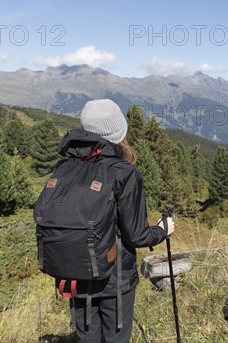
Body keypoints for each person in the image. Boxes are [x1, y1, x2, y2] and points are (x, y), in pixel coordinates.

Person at [57, 99, 175, 342]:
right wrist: (162, 230)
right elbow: (136, 235)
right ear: (118, 131)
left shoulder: (65, 166)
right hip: (114, 278)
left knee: (87, 337)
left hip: (75, 272)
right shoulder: (125, 172)